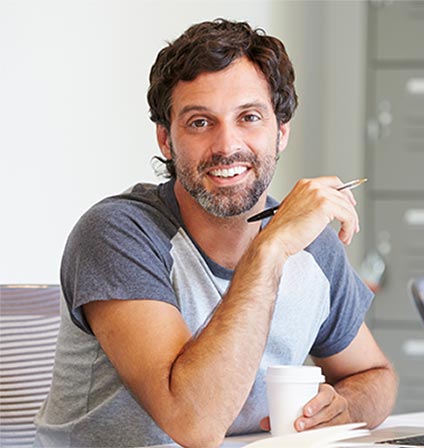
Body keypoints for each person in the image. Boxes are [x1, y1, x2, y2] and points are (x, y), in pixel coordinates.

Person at [34, 18, 398, 448]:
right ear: (167, 140)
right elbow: (194, 424)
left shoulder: (309, 241)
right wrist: (270, 249)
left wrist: (346, 406)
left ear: (280, 134)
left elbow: (374, 376)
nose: (227, 145)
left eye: (249, 117)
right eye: (200, 123)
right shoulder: (117, 235)